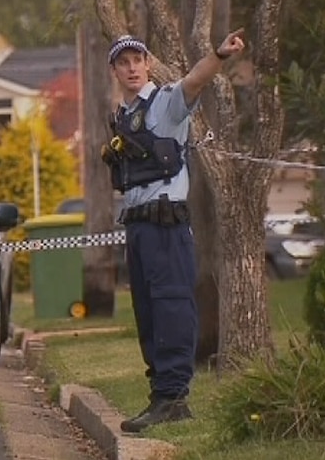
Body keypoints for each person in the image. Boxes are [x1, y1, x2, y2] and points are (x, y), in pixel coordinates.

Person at [101, 30, 245, 433]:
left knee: (170, 307)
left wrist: (219, 55)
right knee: (147, 313)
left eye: (137, 60)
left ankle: (174, 396)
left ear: (147, 64)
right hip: (139, 229)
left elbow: (195, 79)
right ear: (113, 70)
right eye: (123, 62)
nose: (131, 67)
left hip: (166, 227)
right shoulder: (123, 117)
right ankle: (160, 394)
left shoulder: (166, 104)